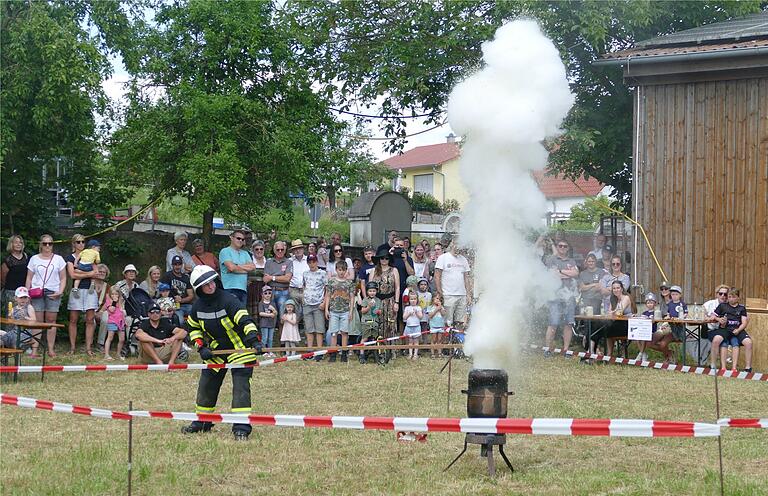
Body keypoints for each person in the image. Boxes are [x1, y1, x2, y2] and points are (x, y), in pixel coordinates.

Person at [182, 265, 261, 440]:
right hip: (217, 350)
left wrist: (254, 339)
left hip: (240, 348)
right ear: (199, 289)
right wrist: (201, 347)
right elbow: (193, 328)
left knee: (241, 387)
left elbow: (244, 320)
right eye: (205, 284)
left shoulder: (229, 300)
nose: (210, 286)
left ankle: (241, 426)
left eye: (211, 282)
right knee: (207, 383)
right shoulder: (197, 307)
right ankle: (202, 422)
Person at [26, 234, 67, 357]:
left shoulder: (58, 259)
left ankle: (50, 349)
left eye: (50, 243)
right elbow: (29, 277)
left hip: (53, 291)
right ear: (41, 245)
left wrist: (60, 291)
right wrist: (27, 293)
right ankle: (34, 350)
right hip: (37, 291)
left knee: (51, 321)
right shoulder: (34, 259)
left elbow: (63, 277)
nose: (48, 246)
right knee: (37, 321)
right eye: (45, 243)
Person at [65, 234, 101, 356]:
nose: (81, 244)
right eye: (78, 242)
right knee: (73, 319)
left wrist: (82, 272)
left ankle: (88, 348)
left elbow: (96, 272)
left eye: (83, 242)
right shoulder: (70, 258)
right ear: (73, 244)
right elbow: (72, 275)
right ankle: (72, 347)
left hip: (90, 290)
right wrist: (88, 273)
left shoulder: (91, 254)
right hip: (77, 290)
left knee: (90, 320)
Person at [543, 238, 579, 356]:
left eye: (565, 246)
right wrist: (567, 273)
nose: (562, 248)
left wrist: (561, 273)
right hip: (554, 296)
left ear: (568, 248)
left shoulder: (571, 261)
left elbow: (576, 273)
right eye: (560, 246)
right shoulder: (551, 259)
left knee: (569, 323)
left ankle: (566, 350)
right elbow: (553, 274)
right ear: (557, 247)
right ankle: (547, 349)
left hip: (569, 296)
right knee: (553, 322)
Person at [435, 239, 471, 334]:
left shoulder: (463, 259)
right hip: (448, 294)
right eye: (457, 245)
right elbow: (437, 276)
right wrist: (440, 292)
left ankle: (456, 344)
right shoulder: (443, 258)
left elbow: (466, 278)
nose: (459, 248)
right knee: (448, 321)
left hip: (461, 294)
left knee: (460, 321)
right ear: (452, 244)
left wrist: (468, 294)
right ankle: (447, 345)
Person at [713, 288, 752, 372]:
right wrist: (718, 319)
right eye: (729, 297)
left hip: (738, 329)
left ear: (738, 298)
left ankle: (748, 367)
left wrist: (738, 330)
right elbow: (713, 316)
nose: (731, 299)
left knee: (748, 342)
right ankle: (715, 365)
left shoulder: (742, 308)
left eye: (733, 297)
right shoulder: (723, 306)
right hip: (725, 329)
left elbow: (744, 323)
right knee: (717, 340)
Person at [590, 280, 634, 356]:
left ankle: (593, 353)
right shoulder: (613, 299)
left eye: (618, 288)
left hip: (626, 325)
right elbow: (609, 314)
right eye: (614, 288)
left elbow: (619, 312)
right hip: (615, 324)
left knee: (598, 330)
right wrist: (612, 312)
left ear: (622, 289)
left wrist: (613, 312)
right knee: (595, 327)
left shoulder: (626, 298)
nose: (616, 290)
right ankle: (592, 352)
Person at [324, 260, 355, 363]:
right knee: (334, 332)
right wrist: (326, 309)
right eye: (339, 270)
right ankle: (333, 353)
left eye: (343, 270)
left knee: (344, 332)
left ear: (346, 271)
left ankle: (344, 353)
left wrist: (351, 312)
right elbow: (328, 295)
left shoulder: (349, 283)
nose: (341, 272)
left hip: (345, 311)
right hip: (334, 311)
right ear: (336, 270)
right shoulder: (332, 281)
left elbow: (351, 297)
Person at [370, 247, 400, 340]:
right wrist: (370, 301)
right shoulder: (374, 271)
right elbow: (370, 287)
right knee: (376, 324)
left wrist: (396, 302)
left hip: (390, 301)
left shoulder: (394, 270)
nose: (384, 260)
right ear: (379, 259)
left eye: (386, 258)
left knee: (390, 324)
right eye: (382, 258)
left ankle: (391, 350)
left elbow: (397, 287)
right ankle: (377, 350)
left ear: (389, 259)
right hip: (377, 301)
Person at [219, 229, 255, 305]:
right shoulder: (225, 251)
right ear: (231, 238)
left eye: (242, 239)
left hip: (243, 289)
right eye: (238, 238)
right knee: (230, 315)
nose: (240, 241)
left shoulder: (245, 253)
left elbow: (252, 267)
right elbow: (231, 268)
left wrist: (236, 266)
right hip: (229, 289)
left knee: (241, 315)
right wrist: (244, 270)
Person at [635, 293, 674, 363]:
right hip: (644, 331)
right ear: (646, 304)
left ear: (655, 304)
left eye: (651, 302)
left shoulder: (657, 312)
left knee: (646, 340)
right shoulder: (644, 313)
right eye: (648, 302)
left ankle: (642, 353)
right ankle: (642, 353)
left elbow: (657, 321)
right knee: (637, 337)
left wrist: (653, 320)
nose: (649, 304)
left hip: (653, 331)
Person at [302, 254, 327, 357]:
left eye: (314, 261)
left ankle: (320, 351)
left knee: (319, 328)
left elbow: (327, 289)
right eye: (310, 262)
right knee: (309, 328)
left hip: (318, 303)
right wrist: (303, 298)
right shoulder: (305, 273)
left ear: (317, 262)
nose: (312, 264)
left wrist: (324, 302)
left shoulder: (322, 273)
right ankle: (310, 350)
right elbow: (304, 286)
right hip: (307, 303)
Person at [161, 255, 195, 324]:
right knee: (180, 320)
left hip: (186, 305)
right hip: (172, 306)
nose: (177, 266)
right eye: (175, 264)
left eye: (179, 264)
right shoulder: (167, 276)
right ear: (172, 265)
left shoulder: (186, 278)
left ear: (182, 265)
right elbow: (162, 291)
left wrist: (182, 300)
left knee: (198, 313)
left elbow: (191, 295)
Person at [1, 287, 36, 352]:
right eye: (21, 297)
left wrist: (25, 317)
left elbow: (34, 320)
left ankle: (17, 356)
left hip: (25, 332)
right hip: (15, 331)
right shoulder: (13, 309)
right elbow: (11, 323)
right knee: (2, 339)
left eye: (25, 297)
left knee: (14, 341)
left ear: (28, 299)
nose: (23, 299)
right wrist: (11, 318)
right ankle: (4, 357)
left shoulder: (29, 307)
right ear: (16, 298)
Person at [704, 284, 731, 369]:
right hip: (712, 329)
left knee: (717, 339)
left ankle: (715, 365)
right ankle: (716, 365)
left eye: (725, 294)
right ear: (717, 294)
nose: (723, 296)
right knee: (720, 341)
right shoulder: (709, 304)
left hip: (725, 329)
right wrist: (716, 318)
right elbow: (702, 315)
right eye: (720, 294)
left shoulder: (730, 305)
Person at [263, 241, 293, 316]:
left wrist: (272, 277)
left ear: (285, 250)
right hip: (269, 292)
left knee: (282, 316)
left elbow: (287, 278)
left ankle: (281, 328)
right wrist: (280, 277)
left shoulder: (289, 262)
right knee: (270, 315)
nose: (280, 251)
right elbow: (265, 279)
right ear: (274, 250)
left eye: (282, 249)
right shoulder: (269, 262)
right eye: (278, 249)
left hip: (283, 292)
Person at [2, 235, 29, 310]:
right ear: (11, 244)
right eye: (16, 242)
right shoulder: (7, 260)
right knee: (12, 314)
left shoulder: (26, 257)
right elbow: (3, 277)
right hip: (11, 291)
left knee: (24, 313)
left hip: (24, 290)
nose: (18, 244)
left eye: (20, 242)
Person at [101, 287, 126, 361]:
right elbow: (112, 310)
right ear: (110, 294)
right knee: (110, 338)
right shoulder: (109, 301)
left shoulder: (121, 301)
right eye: (112, 294)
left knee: (122, 339)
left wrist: (124, 320)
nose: (114, 295)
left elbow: (121, 311)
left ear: (119, 294)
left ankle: (118, 354)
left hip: (121, 322)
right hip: (112, 321)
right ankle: (106, 355)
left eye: (116, 294)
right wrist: (114, 302)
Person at [246, 239, 268, 320]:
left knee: (264, 310)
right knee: (252, 312)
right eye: (257, 249)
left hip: (265, 290)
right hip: (251, 290)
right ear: (253, 250)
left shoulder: (268, 261)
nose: (259, 251)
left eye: (261, 249)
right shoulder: (249, 261)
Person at [288, 239, 309, 318]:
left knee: (306, 312)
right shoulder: (289, 261)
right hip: (294, 289)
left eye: (299, 248)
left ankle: (306, 329)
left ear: (303, 249)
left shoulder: (309, 260)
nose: (297, 250)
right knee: (294, 312)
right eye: (295, 249)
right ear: (293, 251)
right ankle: (295, 329)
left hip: (306, 289)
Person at [258, 286, 278, 357]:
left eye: (269, 293)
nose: (267, 295)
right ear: (262, 294)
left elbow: (276, 313)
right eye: (265, 293)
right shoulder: (261, 303)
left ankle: (270, 351)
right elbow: (260, 313)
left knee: (270, 339)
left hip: (271, 324)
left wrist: (274, 310)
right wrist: (270, 315)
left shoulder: (272, 303)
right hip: (264, 324)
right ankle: (264, 352)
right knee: (264, 338)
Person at [403, 294, 423, 360]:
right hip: (409, 327)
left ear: (417, 300)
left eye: (415, 299)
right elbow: (404, 317)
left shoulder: (419, 307)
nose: (413, 301)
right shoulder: (407, 308)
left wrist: (417, 313)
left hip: (416, 326)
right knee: (410, 341)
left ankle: (415, 354)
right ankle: (410, 354)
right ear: (409, 300)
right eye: (411, 299)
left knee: (416, 341)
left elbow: (421, 317)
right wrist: (409, 313)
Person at [426, 294, 446, 359]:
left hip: (440, 326)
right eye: (437, 298)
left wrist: (440, 308)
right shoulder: (430, 307)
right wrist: (436, 309)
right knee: (433, 339)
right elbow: (430, 316)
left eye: (440, 299)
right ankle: (432, 353)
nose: (438, 300)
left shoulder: (442, 307)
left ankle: (439, 353)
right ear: (433, 299)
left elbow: (443, 314)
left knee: (439, 339)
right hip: (433, 326)